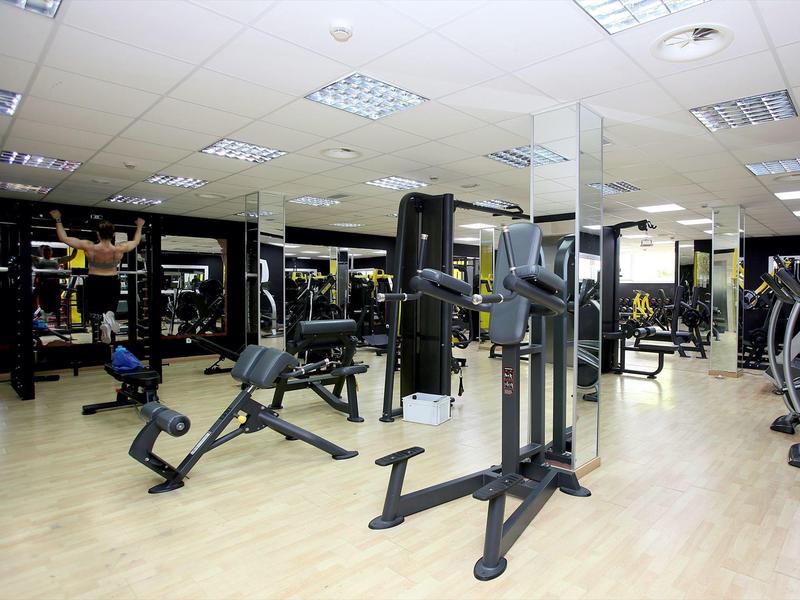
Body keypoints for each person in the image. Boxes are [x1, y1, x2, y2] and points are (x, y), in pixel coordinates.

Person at [49, 209, 145, 344]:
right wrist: (139, 225)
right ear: (113, 235)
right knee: (110, 308)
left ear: (98, 234)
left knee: (95, 312)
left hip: (95, 281)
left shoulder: (90, 247)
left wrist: (58, 219)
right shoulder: (119, 249)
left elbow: (63, 238)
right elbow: (135, 242)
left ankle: (104, 322)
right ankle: (108, 319)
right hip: (112, 282)